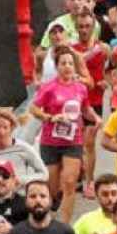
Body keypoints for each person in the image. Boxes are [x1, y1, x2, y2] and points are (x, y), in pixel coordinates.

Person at [32, 48, 99, 222]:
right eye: (63, 63)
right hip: (50, 141)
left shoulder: (80, 88)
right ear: (57, 67)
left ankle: (65, 225)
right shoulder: (49, 88)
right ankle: (51, 208)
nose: (67, 67)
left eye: (70, 63)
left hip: (73, 140)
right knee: (52, 187)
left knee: (70, 182)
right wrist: (50, 117)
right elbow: (33, 109)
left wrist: (95, 118)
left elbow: (85, 108)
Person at [0, 107, 50, 199]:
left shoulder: (24, 148)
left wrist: (21, 180)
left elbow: (44, 174)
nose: (1, 132)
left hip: (17, 199)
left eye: (5, 127)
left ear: (12, 128)